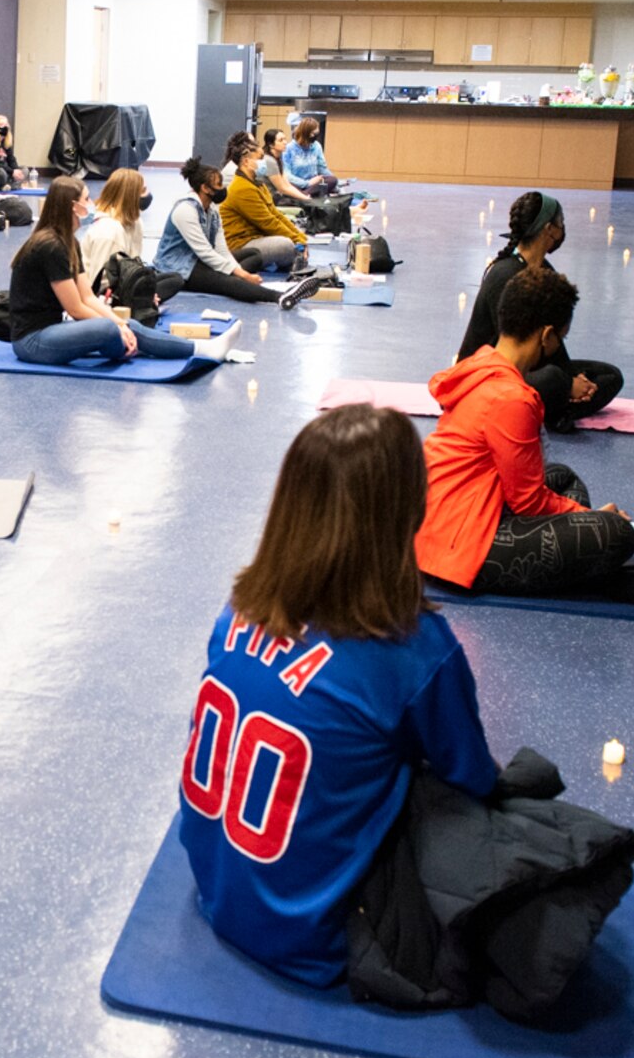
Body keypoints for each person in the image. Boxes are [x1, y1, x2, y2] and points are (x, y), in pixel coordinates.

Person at [179, 402, 498, 987]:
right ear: (408, 511)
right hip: (319, 932)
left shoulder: (239, 611)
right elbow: (473, 780)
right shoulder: (415, 645)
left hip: (215, 885)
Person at [416, 268, 634, 601]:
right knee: (617, 534)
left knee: (563, 478)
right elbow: (529, 502)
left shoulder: (482, 364)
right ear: (547, 335)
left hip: (441, 523)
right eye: (560, 339)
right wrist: (590, 516)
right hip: (462, 546)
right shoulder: (511, 398)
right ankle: (581, 576)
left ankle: (578, 570)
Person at [9, 177, 232, 368]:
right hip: (32, 341)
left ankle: (200, 348)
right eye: (86, 199)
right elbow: (75, 308)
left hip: (52, 328)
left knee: (126, 322)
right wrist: (116, 327)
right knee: (109, 327)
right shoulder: (51, 246)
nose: (92, 203)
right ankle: (122, 344)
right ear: (72, 206)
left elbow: (87, 296)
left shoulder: (68, 243)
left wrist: (121, 325)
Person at [457, 191, 622, 431]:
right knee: (551, 380)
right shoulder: (503, 275)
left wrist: (572, 379)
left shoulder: (545, 270)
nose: (562, 229)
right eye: (560, 223)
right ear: (549, 230)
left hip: (531, 364)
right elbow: (512, 347)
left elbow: (552, 337)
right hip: (489, 373)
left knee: (609, 377)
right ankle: (554, 407)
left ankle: (551, 407)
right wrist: (565, 384)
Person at [157, 158, 303, 306]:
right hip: (180, 267)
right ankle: (280, 296)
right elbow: (205, 252)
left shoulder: (212, 209)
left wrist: (239, 271)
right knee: (228, 283)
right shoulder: (185, 210)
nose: (223, 188)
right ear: (205, 188)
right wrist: (243, 274)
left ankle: (228, 281)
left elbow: (222, 250)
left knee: (253, 255)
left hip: (199, 261)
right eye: (219, 185)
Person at [80, 168, 182, 303]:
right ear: (131, 196)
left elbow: (133, 263)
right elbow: (99, 281)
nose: (148, 194)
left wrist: (142, 287)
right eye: (143, 190)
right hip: (105, 292)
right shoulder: (108, 231)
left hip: (126, 278)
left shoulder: (135, 222)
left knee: (175, 279)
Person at [219, 132, 311, 273]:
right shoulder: (241, 188)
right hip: (239, 244)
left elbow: (275, 214)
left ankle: (290, 258)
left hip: (255, 237)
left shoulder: (258, 184)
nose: (264, 163)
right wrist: (297, 240)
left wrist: (301, 237)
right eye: (260, 158)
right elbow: (268, 222)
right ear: (246, 162)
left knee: (293, 237)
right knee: (286, 245)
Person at [282, 116, 338, 198]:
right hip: (297, 183)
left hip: (314, 183)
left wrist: (337, 184)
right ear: (305, 133)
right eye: (312, 134)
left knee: (332, 180)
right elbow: (287, 175)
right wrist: (307, 183)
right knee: (287, 185)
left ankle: (302, 196)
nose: (314, 136)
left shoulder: (316, 146)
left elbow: (322, 168)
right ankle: (305, 195)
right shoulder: (289, 149)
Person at [257, 128, 314, 208]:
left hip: (276, 196)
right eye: (281, 140)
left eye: (285, 139)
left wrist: (304, 197)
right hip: (268, 200)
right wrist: (305, 198)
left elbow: (286, 184)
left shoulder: (279, 158)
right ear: (271, 145)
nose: (285, 142)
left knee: (303, 196)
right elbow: (282, 188)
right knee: (303, 203)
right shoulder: (269, 161)